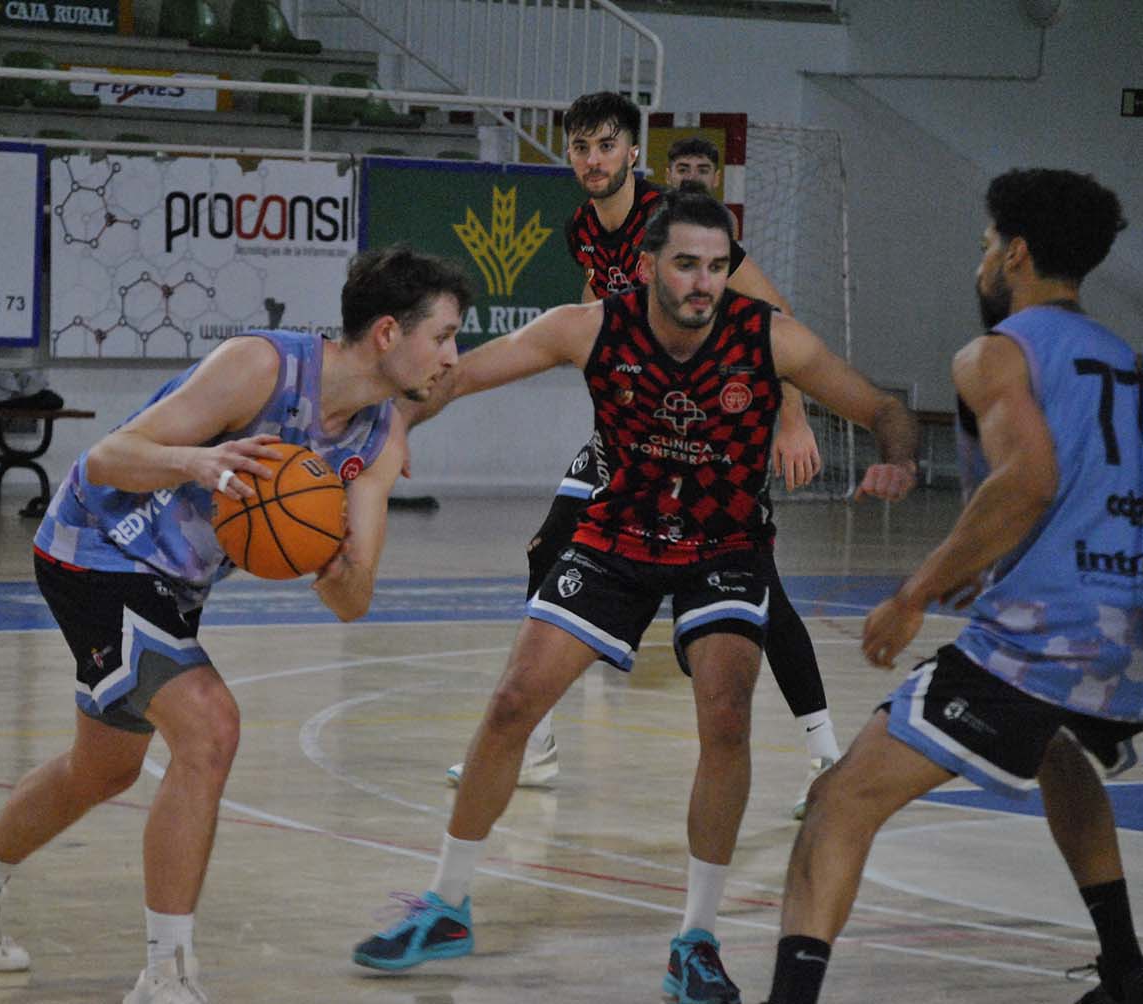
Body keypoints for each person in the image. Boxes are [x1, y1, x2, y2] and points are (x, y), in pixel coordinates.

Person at [354, 188, 918, 1004]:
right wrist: (397, 428)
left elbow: (884, 408)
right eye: (687, 265)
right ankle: (447, 904)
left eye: (718, 268)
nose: (703, 283)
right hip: (617, 535)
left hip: (724, 542)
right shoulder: (588, 328)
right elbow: (458, 374)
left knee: (725, 714)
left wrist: (895, 458)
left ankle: (695, 938)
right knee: (514, 702)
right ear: (650, 264)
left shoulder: (767, 337)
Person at [0, 245, 473, 1003]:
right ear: (386, 334)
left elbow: (351, 602)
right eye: (443, 336)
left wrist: (336, 562)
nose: (452, 357)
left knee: (102, 769)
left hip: (173, 583)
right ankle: (166, 976)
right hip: (95, 550)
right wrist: (199, 465)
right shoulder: (259, 367)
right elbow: (108, 458)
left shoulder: (378, 440)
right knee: (210, 729)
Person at [763, 168, 1140, 1004]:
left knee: (839, 800)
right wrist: (997, 565)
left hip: (1048, 635)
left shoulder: (996, 353)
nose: (980, 262)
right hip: (1124, 636)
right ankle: (1125, 971)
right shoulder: (1123, 358)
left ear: (1017, 253)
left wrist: (919, 589)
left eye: (984, 245)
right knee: (1058, 753)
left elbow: (1030, 480)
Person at [446, 92, 842, 822]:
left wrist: (791, 415)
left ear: (634, 155)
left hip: (720, 434)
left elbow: (772, 319)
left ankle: (826, 753)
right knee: (549, 549)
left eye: (606, 146)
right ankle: (532, 740)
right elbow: (598, 296)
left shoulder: (674, 225)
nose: (593, 160)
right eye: (581, 147)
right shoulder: (582, 230)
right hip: (639, 434)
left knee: (763, 596)